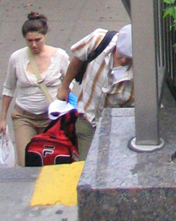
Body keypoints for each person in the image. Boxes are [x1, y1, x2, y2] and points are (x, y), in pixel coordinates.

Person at [0, 12, 69, 167]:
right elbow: (8, 88)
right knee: (26, 163)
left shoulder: (60, 56)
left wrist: (64, 99)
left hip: (51, 118)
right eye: (29, 41)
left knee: (52, 162)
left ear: (45, 36)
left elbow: (68, 83)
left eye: (38, 40)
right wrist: (3, 119)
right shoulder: (17, 58)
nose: (34, 45)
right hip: (24, 117)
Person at [55, 24, 134, 160]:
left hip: (116, 130)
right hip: (87, 120)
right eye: (121, 55)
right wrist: (64, 86)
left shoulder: (143, 69)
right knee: (86, 168)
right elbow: (78, 59)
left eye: (129, 57)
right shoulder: (98, 39)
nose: (124, 60)